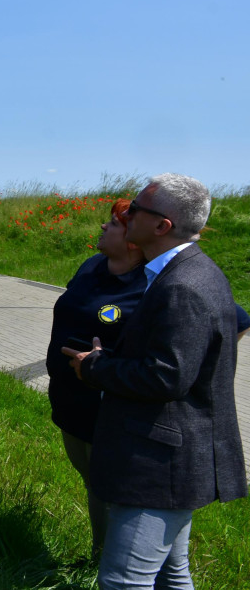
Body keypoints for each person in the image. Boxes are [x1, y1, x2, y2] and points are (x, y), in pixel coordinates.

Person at [63, 174, 247, 589]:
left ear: (162, 225)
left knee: (123, 581)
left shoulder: (182, 285)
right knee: (171, 574)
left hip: (160, 465)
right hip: (172, 458)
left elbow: (167, 377)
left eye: (136, 209)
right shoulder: (182, 272)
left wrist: (94, 367)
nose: (125, 213)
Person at [46, 199, 145, 558]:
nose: (103, 227)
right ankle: (103, 554)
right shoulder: (92, 266)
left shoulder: (154, 283)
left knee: (110, 487)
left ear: (133, 239)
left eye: (113, 225)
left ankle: (109, 561)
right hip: (71, 401)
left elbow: (236, 321)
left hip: (110, 408)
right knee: (92, 482)